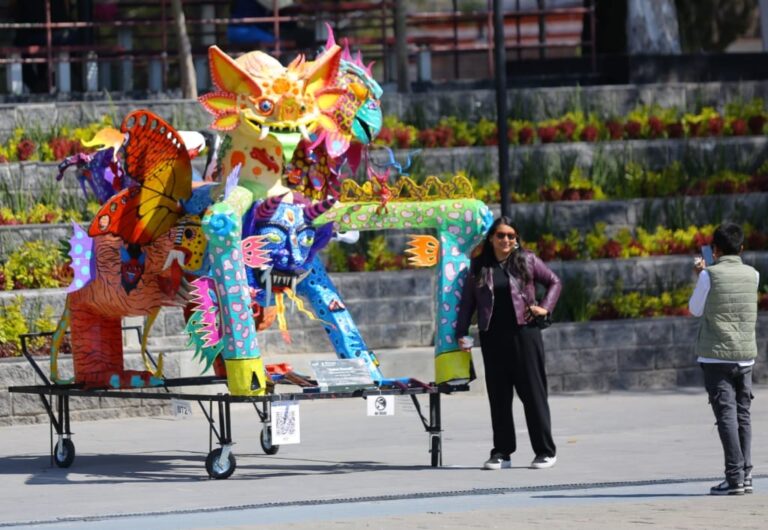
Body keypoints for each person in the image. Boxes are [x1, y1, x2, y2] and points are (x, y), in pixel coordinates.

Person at [456, 216, 561, 470]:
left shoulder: (527, 259)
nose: (506, 240)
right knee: (499, 397)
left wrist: (544, 308)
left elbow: (554, 282)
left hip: (525, 335)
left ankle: (545, 451)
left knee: (533, 395)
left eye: (511, 236)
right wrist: (462, 332)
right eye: (501, 235)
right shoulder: (480, 266)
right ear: (491, 238)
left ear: (516, 239)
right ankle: (502, 452)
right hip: (492, 337)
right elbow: (468, 303)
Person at [689, 222, 760, 496]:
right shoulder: (752, 274)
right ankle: (746, 474)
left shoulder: (710, 276)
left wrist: (701, 275)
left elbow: (695, 310)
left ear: (714, 250)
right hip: (745, 355)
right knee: (743, 414)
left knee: (727, 416)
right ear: (741, 249)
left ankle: (733, 478)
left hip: (715, 356)